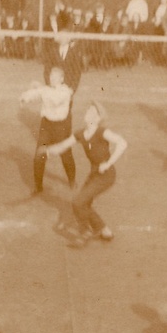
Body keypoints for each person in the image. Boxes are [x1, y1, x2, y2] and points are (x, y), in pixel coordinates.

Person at [43, 102, 127, 246]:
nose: (87, 112)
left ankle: (85, 232)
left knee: (78, 202)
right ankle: (104, 230)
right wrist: (47, 149)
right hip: (94, 173)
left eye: (91, 111)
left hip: (106, 175)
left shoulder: (102, 132)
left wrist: (108, 163)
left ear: (98, 117)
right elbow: (63, 146)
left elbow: (122, 143)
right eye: (88, 109)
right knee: (84, 203)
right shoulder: (81, 133)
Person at [20, 67, 76, 194]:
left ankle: (72, 180)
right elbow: (32, 95)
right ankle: (38, 187)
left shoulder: (66, 91)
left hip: (61, 126)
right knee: (39, 154)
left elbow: (54, 100)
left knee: (65, 154)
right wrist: (24, 97)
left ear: (62, 79)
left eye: (56, 77)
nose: (52, 79)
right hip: (46, 125)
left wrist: (39, 88)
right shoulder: (46, 89)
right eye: (51, 77)